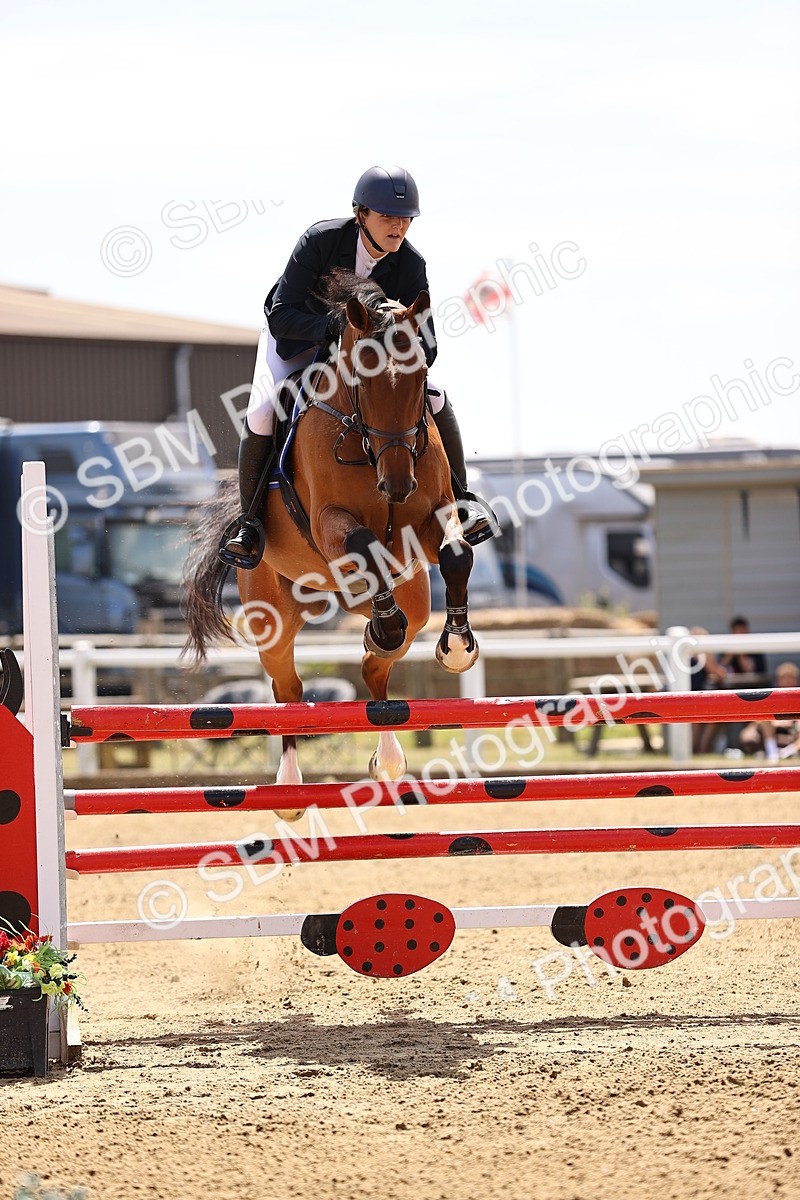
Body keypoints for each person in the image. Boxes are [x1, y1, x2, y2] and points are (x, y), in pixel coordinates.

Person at [221, 165, 497, 567]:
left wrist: (400, 341)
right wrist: (334, 327)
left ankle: (464, 500)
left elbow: (429, 345)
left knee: (435, 397)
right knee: (265, 411)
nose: (398, 227)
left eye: (405, 219)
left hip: (368, 359)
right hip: (297, 340)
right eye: (387, 216)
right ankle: (249, 526)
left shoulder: (410, 264)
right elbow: (282, 316)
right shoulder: (319, 242)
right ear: (360, 214)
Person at [738, 662, 800, 762]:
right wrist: (777, 721)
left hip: (792, 733)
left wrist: (791, 722)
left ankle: (789, 752)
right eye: (784, 677)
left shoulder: (798, 697)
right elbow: (758, 720)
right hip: (771, 732)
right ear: (778, 681)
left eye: (791, 677)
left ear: (796, 680)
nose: (787, 681)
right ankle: (773, 754)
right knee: (763, 721)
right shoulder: (771, 697)